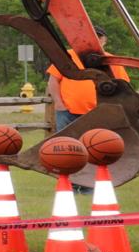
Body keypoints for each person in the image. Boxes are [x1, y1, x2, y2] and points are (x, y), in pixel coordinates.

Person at [46, 25, 109, 194]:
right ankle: (69, 185)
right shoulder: (67, 56)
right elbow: (53, 81)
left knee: (93, 150)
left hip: (97, 114)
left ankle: (88, 186)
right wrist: (59, 104)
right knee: (68, 150)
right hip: (68, 112)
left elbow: (121, 85)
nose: (95, 41)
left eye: (98, 37)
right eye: (91, 37)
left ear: (104, 41)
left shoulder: (110, 60)